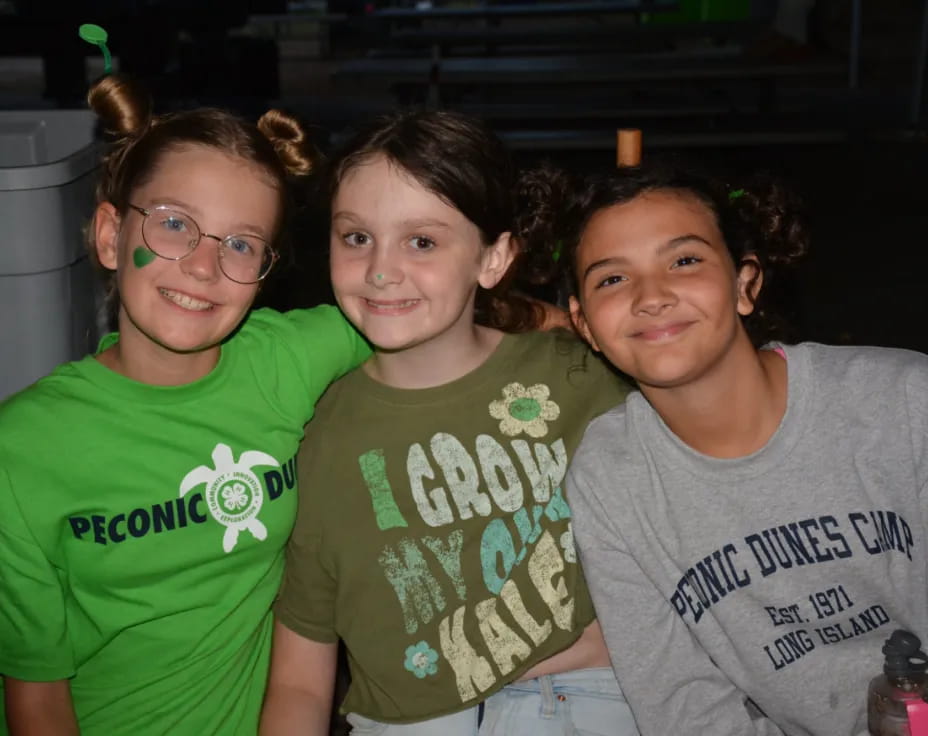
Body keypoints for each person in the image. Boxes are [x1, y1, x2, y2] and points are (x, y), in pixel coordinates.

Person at [0, 75, 370, 735]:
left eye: (240, 243)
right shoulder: (23, 447)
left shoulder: (283, 358)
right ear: (111, 236)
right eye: (175, 224)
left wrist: (564, 321)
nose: (204, 266)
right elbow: (35, 696)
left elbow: (421, 307)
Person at [260, 110, 638, 736]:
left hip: (590, 693)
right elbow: (300, 679)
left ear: (493, 258)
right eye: (356, 237)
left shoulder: (580, 375)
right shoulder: (315, 435)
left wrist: (628, 630)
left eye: (423, 242)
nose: (381, 270)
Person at [551, 163, 928, 735]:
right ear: (584, 325)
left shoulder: (901, 399)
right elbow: (682, 704)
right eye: (611, 279)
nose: (651, 297)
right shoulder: (610, 478)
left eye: (684, 260)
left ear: (745, 284)